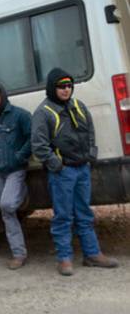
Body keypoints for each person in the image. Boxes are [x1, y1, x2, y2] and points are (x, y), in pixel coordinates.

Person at [31, 68, 119, 276]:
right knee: (63, 216)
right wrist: (57, 166)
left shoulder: (79, 106)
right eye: (61, 86)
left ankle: (92, 254)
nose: (66, 89)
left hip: (82, 169)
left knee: (84, 214)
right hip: (63, 173)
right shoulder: (43, 113)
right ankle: (64, 259)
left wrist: (91, 154)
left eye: (69, 85)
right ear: (53, 88)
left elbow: (89, 131)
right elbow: (39, 146)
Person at [0, 82, 31, 270]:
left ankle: (23, 193)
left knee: (7, 204)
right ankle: (19, 254)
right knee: (7, 213)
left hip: (16, 170)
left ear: (3, 95)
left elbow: (31, 137)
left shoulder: (20, 115)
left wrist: (20, 157)